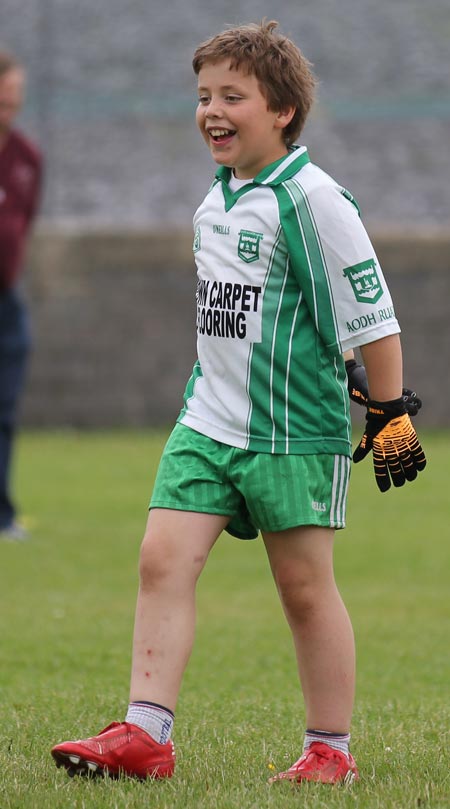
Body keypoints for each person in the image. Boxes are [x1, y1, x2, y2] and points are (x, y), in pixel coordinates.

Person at [51, 20, 426, 784]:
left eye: (233, 96)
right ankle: (146, 734)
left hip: (293, 432)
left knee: (303, 588)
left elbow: (371, 315)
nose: (211, 110)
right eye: (202, 96)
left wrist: (388, 413)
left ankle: (330, 751)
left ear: (282, 109)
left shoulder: (314, 200)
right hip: (207, 421)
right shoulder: (216, 201)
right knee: (161, 559)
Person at [0, 50, 43, 540]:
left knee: (4, 410)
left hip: (6, 303)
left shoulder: (27, 158)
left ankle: (1, 513)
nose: (8, 110)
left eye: (14, 101)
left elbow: (23, 224)